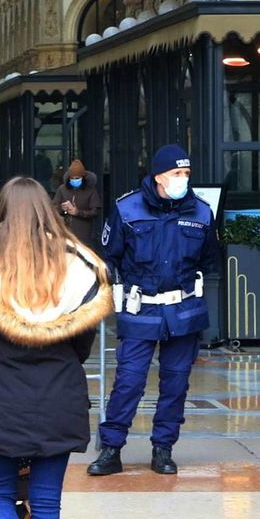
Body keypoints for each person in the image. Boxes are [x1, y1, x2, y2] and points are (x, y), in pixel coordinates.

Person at [0, 177, 111, 519]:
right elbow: (82, 346)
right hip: (60, 396)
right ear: (48, 211)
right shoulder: (80, 266)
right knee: (46, 501)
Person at [89, 144, 218, 476]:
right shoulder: (127, 208)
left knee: (176, 383)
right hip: (140, 308)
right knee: (129, 382)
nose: (183, 179)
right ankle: (111, 448)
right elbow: (108, 257)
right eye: (177, 174)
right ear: (159, 176)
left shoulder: (202, 212)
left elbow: (208, 261)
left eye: (187, 174)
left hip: (184, 311)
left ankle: (163, 448)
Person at [53, 160, 103, 247]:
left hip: (84, 235)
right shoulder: (62, 189)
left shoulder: (90, 191)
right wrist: (62, 209)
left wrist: (78, 212)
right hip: (65, 233)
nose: (74, 180)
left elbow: (95, 211)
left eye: (77, 178)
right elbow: (53, 208)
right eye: (72, 178)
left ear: (83, 177)